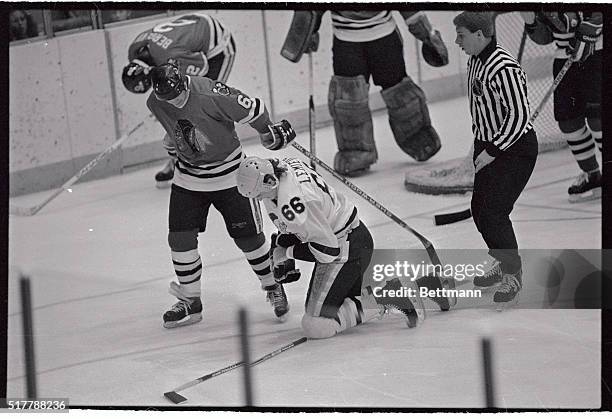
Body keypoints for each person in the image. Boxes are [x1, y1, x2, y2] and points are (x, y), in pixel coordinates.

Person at [236, 156, 455, 339]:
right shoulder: (283, 166)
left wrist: (287, 252)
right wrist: (282, 243)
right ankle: (426, 285)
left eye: (259, 194)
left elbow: (327, 251)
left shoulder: (294, 206)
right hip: (352, 236)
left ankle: (391, 295)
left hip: (345, 250)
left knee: (316, 326)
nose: (258, 199)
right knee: (343, 304)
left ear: (269, 183)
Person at [146, 62, 296, 328]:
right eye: (168, 98)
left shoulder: (210, 93)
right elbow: (175, 127)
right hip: (189, 177)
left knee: (249, 239)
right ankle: (190, 300)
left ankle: (272, 285)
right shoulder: (156, 102)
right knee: (179, 238)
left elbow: (254, 108)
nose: (175, 101)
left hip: (231, 174)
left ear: (184, 82)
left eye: (178, 94)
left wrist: (268, 130)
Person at [280, 10, 449, 176]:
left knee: (400, 92)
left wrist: (428, 35)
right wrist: (306, 32)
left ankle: (419, 138)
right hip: (347, 44)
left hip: (385, 41)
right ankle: (356, 152)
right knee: (349, 101)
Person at [453, 12, 538, 310]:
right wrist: (480, 145)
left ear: (479, 35)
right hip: (489, 145)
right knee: (480, 209)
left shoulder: (503, 67)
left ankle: (513, 275)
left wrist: (492, 150)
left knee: (494, 212)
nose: (457, 41)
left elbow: (519, 116)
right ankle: (503, 262)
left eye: (461, 35)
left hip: (515, 148)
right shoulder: (475, 60)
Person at [122, 13, 236, 187]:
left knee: (206, 101)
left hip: (218, 46)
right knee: (181, 109)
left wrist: (172, 102)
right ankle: (179, 159)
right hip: (195, 24)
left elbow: (201, 68)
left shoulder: (172, 57)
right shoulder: (134, 50)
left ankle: (223, 154)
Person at [520, 11, 602, 203]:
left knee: (599, 119)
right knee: (568, 122)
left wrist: (590, 29)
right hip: (564, 57)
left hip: (597, 52)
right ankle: (592, 174)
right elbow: (546, 36)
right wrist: (529, 19)